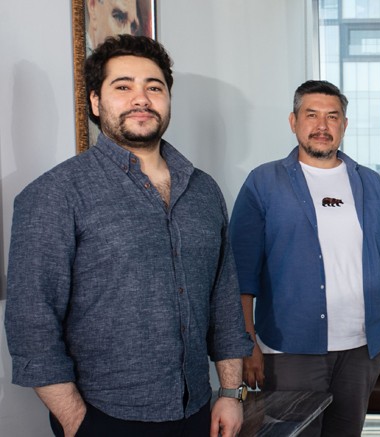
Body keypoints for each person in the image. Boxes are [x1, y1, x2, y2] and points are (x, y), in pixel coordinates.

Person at [4, 35, 253, 437]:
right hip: (103, 416)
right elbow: (32, 323)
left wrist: (229, 392)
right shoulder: (55, 194)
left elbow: (223, 302)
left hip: (197, 410)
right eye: (123, 87)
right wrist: (77, 422)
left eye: (154, 87)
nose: (141, 99)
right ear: (96, 102)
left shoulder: (204, 190)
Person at [229, 80, 380, 436]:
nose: (322, 126)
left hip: (361, 349)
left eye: (332, 116)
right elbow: (239, 272)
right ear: (294, 121)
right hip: (289, 348)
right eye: (312, 115)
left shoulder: (371, 183)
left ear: (344, 125)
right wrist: (247, 344)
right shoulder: (264, 182)